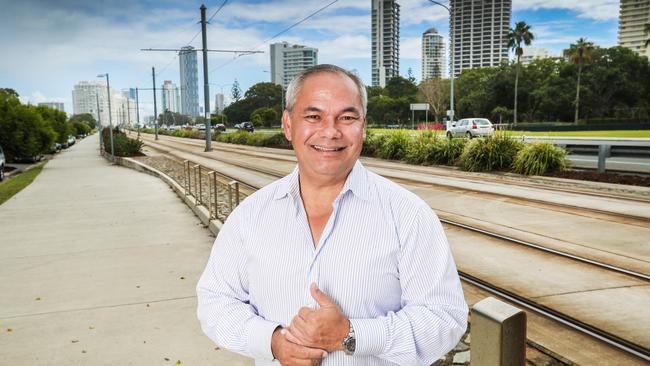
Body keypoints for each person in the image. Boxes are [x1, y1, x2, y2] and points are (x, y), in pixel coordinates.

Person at [196, 64, 467, 366]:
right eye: (313, 116)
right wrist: (272, 342)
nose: (330, 131)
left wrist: (351, 335)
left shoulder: (408, 215)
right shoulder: (251, 215)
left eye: (347, 117)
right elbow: (215, 301)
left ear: (363, 126)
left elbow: (444, 318)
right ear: (288, 125)